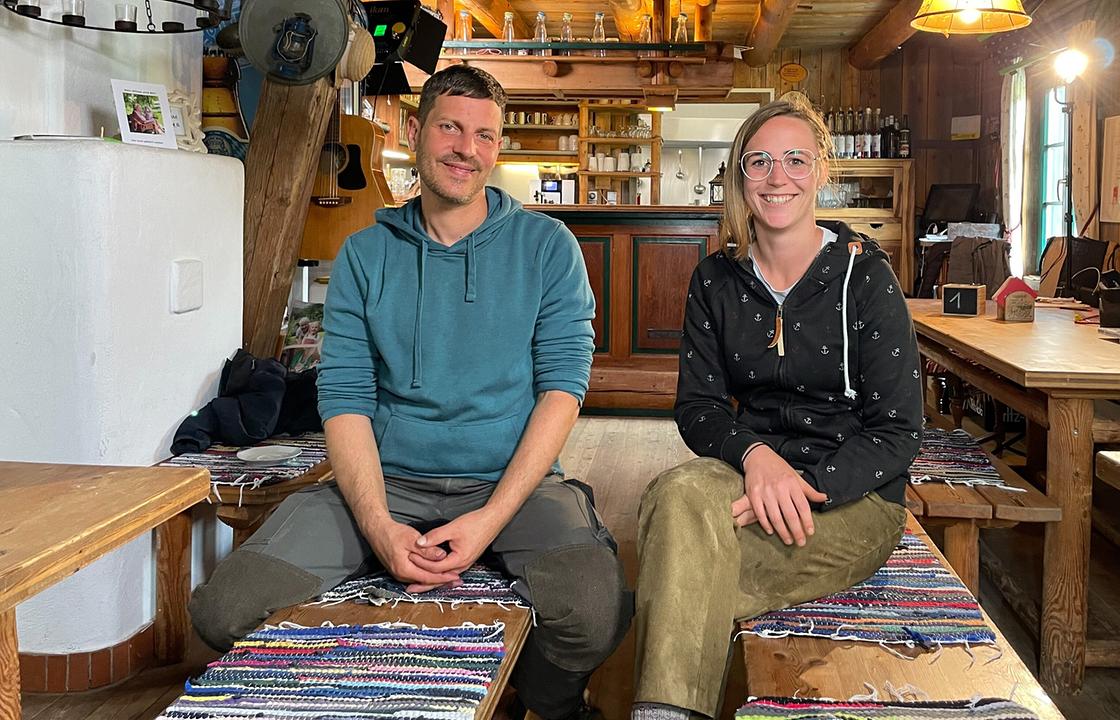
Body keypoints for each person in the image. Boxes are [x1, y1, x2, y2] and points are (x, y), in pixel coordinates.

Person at [189, 65, 631, 720]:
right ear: (420, 132)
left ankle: (544, 699)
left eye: (484, 135)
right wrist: (377, 526)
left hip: (511, 479)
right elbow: (344, 399)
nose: (466, 148)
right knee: (223, 610)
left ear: (498, 145)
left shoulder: (547, 247)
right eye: (450, 127)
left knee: (597, 611)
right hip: (386, 477)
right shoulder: (367, 255)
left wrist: (489, 520)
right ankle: (370, 694)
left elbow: (562, 389)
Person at [631, 93, 922, 720]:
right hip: (748, 474)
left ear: (820, 170)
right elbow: (699, 408)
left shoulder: (865, 278)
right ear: (740, 176)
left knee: (683, 555)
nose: (776, 177)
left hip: (851, 500)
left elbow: (898, 432)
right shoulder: (715, 279)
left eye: (795, 159)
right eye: (759, 161)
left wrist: (807, 486)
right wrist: (757, 456)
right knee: (677, 497)